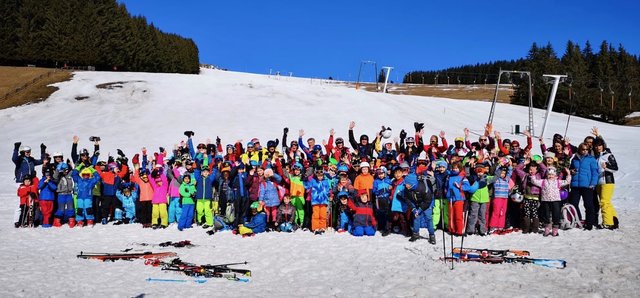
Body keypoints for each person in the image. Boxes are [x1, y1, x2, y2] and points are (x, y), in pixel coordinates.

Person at [530, 167, 571, 236]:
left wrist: (568, 174)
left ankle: (555, 229)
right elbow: (534, 181)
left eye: (552, 175)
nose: (551, 176)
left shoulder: (558, 182)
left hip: (556, 201)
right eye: (549, 175)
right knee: (546, 215)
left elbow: (567, 181)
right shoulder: (543, 181)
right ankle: (547, 228)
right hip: (545, 200)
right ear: (546, 175)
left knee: (556, 214)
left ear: (555, 175)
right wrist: (533, 174)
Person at [12, 142, 45, 227]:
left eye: (29, 151)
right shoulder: (19, 160)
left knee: (32, 202)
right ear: (23, 152)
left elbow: (41, 161)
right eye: (26, 151)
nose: (28, 153)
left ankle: (30, 219)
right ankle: (17, 220)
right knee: (21, 203)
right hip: (21, 181)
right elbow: (14, 159)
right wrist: (16, 148)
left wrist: (42, 150)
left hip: (30, 182)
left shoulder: (31, 160)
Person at [569, 142, 599, 230]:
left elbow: (595, 172)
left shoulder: (591, 159)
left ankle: (589, 223)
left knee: (588, 205)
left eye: (586, 149)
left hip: (587, 186)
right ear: (579, 149)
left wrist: (593, 183)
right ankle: (578, 220)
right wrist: (572, 171)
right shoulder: (574, 159)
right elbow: (570, 169)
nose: (585, 151)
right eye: (583, 149)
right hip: (575, 185)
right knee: (573, 204)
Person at [402, 173, 436, 244]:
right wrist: (413, 209)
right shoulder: (407, 189)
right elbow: (407, 199)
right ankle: (415, 234)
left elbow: (427, 201)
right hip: (416, 203)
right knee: (416, 218)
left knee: (428, 218)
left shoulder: (423, 188)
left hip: (427, 204)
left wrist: (420, 209)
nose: (405, 185)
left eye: (407, 184)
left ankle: (432, 235)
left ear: (412, 184)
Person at [593, 138, 619, 229]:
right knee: (607, 202)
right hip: (599, 183)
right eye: (596, 146)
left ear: (603, 145)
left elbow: (615, 168)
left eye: (599, 145)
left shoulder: (608, 155)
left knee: (604, 202)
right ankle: (614, 220)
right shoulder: (596, 156)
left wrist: (607, 166)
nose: (598, 147)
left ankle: (608, 222)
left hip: (607, 182)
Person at [305, 166, 332, 234]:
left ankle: (322, 226)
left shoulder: (326, 181)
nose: (320, 177)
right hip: (315, 201)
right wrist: (304, 180)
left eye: (321, 175)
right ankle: (315, 227)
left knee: (323, 215)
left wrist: (330, 195)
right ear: (315, 174)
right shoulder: (313, 181)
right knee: (316, 215)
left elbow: (328, 189)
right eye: (318, 175)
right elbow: (307, 186)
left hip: (324, 200)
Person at [489, 165, 513, 232]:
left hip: (505, 198)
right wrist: (499, 164)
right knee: (496, 212)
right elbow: (497, 172)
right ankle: (493, 226)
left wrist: (510, 166)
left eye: (504, 173)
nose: (503, 175)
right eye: (502, 173)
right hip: (497, 198)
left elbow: (510, 173)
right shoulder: (496, 180)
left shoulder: (506, 180)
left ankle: (500, 226)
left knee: (503, 212)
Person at [54, 162, 75, 227]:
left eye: (66, 170)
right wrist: (58, 169)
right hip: (61, 194)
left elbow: (74, 171)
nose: (65, 171)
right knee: (61, 209)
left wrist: (71, 166)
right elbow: (55, 176)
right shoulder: (58, 177)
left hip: (69, 194)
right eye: (64, 170)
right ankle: (57, 221)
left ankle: (71, 221)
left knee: (70, 208)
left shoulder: (69, 175)